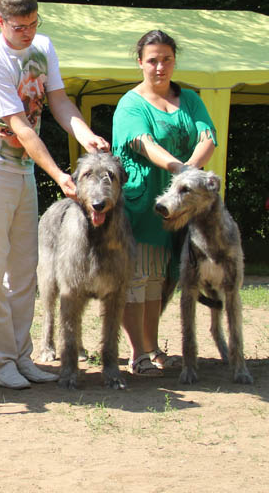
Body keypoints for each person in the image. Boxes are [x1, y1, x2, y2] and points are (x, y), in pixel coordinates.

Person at [0, 0, 110, 390]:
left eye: (32, 23)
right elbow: (22, 128)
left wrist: (84, 134)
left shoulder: (43, 47)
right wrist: (61, 175)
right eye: (18, 26)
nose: (27, 32)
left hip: (22, 167)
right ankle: (0, 361)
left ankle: (22, 355)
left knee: (24, 268)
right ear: (0, 21)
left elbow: (58, 101)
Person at [112, 30, 216, 376]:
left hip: (180, 208)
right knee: (135, 277)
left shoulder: (190, 100)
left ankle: (153, 347)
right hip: (140, 205)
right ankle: (137, 353)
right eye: (152, 60)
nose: (160, 67)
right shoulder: (130, 103)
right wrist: (179, 169)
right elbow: (143, 143)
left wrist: (187, 174)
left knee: (158, 278)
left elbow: (207, 137)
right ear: (140, 62)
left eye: (166, 59)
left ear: (174, 61)